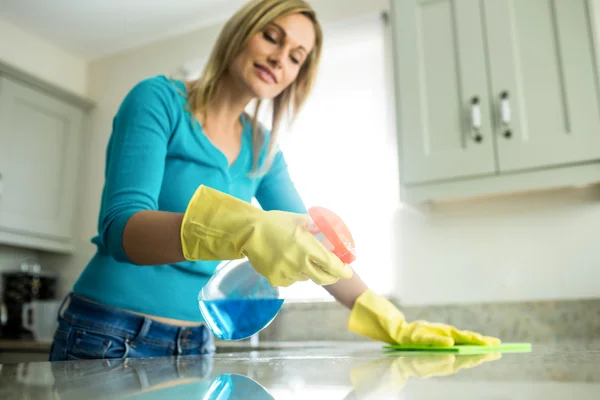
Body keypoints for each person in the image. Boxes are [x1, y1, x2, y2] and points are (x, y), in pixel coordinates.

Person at [49, 0, 500, 362]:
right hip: (106, 332)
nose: (279, 59)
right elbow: (121, 229)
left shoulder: (262, 150)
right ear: (242, 31)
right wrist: (244, 228)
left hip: (195, 345)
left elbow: (314, 245)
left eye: (295, 57)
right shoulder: (159, 100)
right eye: (272, 37)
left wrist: (390, 321)